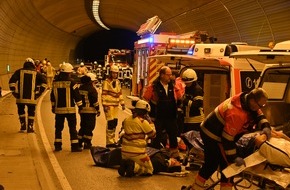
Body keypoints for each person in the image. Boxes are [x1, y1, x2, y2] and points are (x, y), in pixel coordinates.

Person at [181, 88, 272, 190]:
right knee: (227, 167)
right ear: (252, 101)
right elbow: (227, 139)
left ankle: (195, 188)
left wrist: (265, 126)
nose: (260, 108)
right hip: (212, 135)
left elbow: (258, 114)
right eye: (260, 105)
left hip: (215, 132)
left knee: (212, 164)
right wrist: (234, 157)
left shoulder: (245, 99)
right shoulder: (236, 113)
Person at [142, 66, 183, 158]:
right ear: (162, 75)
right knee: (157, 137)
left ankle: (174, 155)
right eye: (168, 75)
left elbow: (179, 98)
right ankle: (154, 154)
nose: (170, 77)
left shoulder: (173, 86)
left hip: (171, 117)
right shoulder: (153, 87)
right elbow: (145, 100)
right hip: (158, 117)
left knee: (173, 136)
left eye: (171, 75)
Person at [118, 100, 156, 177]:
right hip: (138, 154)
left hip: (124, 152)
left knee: (134, 161)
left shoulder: (127, 119)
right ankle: (134, 167)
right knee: (149, 170)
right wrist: (151, 123)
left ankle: (126, 165)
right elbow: (153, 134)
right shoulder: (142, 122)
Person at [50, 63, 83, 152]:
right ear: (69, 73)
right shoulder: (72, 82)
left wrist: (53, 106)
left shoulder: (55, 82)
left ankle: (57, 145)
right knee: (72, 128)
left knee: (58, 128)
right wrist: (80, 106)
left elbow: (52, 96)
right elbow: (77, 96)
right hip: (70, 110)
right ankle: (74, 146)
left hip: (59, 110)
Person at [9, 58, 47, 133]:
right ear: (33, 64)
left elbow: (11, 82)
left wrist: (14, 92)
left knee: (21, 111)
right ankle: (30, 127)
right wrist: (39, 93)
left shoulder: (19, 72)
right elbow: (44, 83)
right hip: (32, 97)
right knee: (31, 112)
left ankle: (23, 126)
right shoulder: (36, 73)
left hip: (20, 97)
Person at [101, 64, 125, 147]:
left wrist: (122, 103)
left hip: (115, 106)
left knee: (114, 123)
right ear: (110, 73)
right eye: (113, 73)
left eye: (116, 73)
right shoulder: (106, 82)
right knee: (110, 123)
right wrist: (104, 105)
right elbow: (103, 94)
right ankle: (109, 142)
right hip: (108, 106)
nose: (115, 75)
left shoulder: (118, 82)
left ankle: (112, 140)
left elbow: (119, 93)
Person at [78, 73, 100, 149]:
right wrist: (98, 109)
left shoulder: (80, 88)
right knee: (90, 127)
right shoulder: (92, 89)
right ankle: (87, 143)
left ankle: (79, 141)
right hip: (90, 111)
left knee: (83, 126)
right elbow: (95, 102)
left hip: (82, 111)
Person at [181, 68, 204, 132]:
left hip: (196, 120)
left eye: (188, 83)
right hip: (187, 120)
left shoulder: (197, 90)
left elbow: (198, 104)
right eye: (185, 82)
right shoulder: (186, 88)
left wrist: (185, 100)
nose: (186, 84)